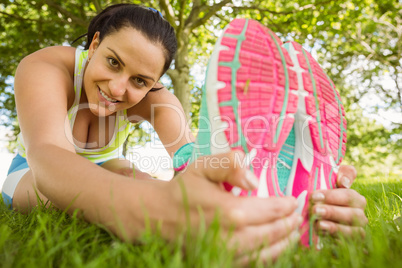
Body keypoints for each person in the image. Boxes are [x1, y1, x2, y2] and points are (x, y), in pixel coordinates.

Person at [1, 3, 367, 262]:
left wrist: (244, 183)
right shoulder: (47, 66)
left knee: (131, 172)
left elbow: (191, 156)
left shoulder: (155, 99)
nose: (117, 88)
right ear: (95, 43)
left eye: (140, 80)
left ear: (155, 83)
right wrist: (145, 210)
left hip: (107, 169)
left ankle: (275, 208)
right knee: (59, 188)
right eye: (113, 62)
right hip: (28, 175)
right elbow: (48, 155)